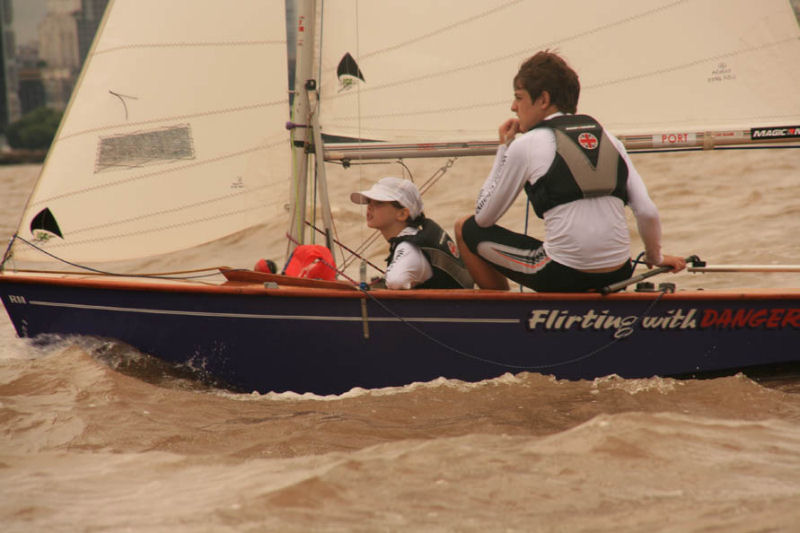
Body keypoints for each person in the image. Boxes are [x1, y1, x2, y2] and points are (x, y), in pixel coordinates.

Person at [455, 50, 686, 292]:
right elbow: (648, 212)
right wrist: (655, 256)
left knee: (465, 227)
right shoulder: (611, 140)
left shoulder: (526, 144)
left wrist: (504, 148)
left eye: (519, 97)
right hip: (619, 273)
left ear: (543, 100)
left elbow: (484, 217)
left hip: (563, 276)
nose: (513, 107)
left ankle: (502, 316)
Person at [351, 176, 473, 290]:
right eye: (369, 201)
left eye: (379, 202)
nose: (369, 207)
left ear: (402, 214)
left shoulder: (408, 247)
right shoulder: (413, 236)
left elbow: (396, 281)